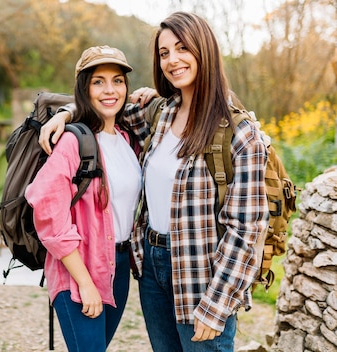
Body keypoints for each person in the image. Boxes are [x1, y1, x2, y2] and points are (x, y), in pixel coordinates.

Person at [38, 12, 269, 352]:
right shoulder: (160, 114)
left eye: (182, 48)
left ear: (204, 50)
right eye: (164, 53)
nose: (172, 60)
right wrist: (65, 113)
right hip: (152, 269)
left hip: (201, 275)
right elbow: (103, 106)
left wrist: (217, 305)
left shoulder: (239, 134)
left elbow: (247, 229)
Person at [24, 45, 142, 351]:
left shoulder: (129, 139)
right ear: (84, 88)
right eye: (98, 81)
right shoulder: (72, 141)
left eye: (117, 80)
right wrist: (85, 282)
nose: (110, 90)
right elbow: (47, 211)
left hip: (118, 267)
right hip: (79, 269)